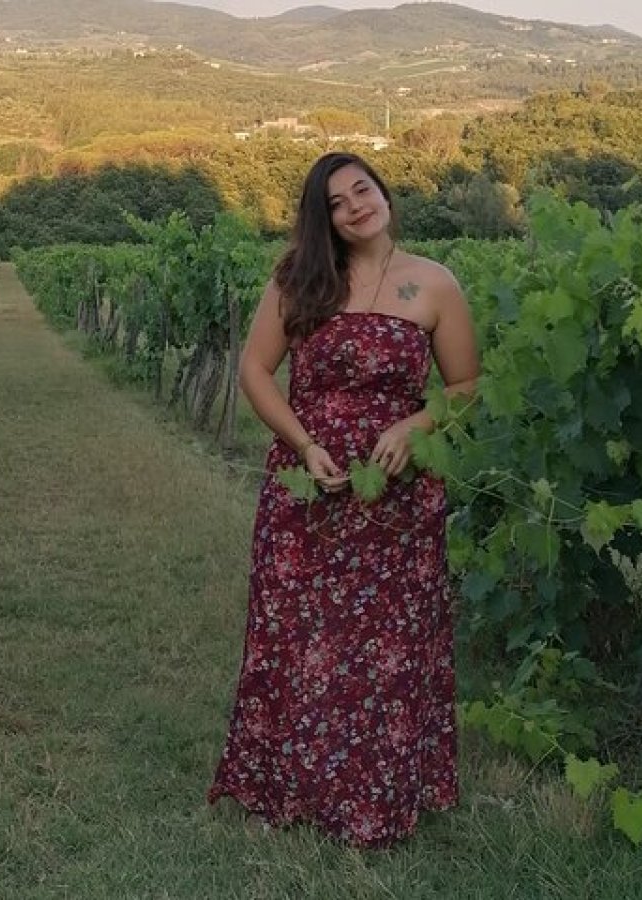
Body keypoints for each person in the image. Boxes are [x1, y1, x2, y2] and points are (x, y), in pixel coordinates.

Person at [207, 151, 479, 848]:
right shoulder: (301, 279)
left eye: (364, 189)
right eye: (337, 200)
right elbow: (255, 370)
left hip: (398, 497)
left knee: (388, 648)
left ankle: (378, 795)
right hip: (310, 490)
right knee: (300, 639)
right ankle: (292, 787)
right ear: (322, 217)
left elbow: (465, 390)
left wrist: (415, 427)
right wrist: (303, 444)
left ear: (384, 193)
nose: (357, 204)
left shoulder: (435, 284)